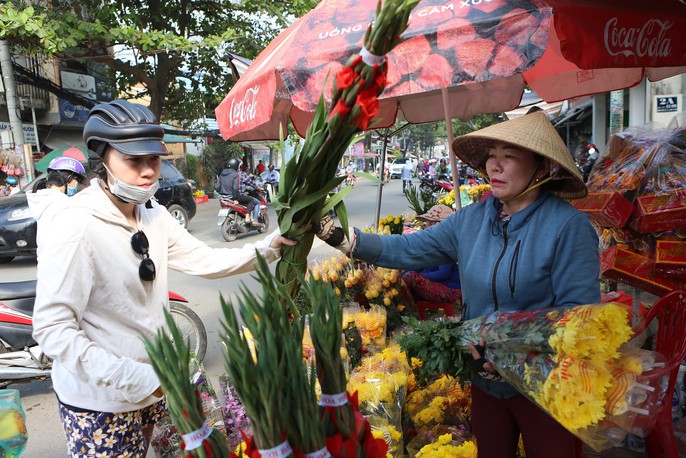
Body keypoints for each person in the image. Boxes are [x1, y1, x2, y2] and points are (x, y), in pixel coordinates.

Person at [316, 111, 600, 458]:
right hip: (484, 383)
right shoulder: (474, 219)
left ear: (542, 168)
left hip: (545, 388)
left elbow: (581, 317)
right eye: (491, 155)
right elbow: (410, 248)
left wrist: (511, 349)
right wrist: (347, 241)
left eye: (508, 157)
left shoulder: (567, 227)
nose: (494, 166)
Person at [31, 100, 295, 457]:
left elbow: (207, 260)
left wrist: (270, 248)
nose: (148, 173)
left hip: (152, 385)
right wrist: (135, 377)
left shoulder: (153, 214)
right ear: (102, 159)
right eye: (133, 161)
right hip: (100, 401)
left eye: (153, 160)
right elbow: (53, 329)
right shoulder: (75, 225)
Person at [216, 158, 260, 225]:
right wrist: (235, 199)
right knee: (251, 200)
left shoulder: (222, 173)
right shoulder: (236, 174)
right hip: (233, 196)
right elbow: (235, 188)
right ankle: (247, 217)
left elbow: (217, 187)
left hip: (224, 198)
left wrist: (224, 194)